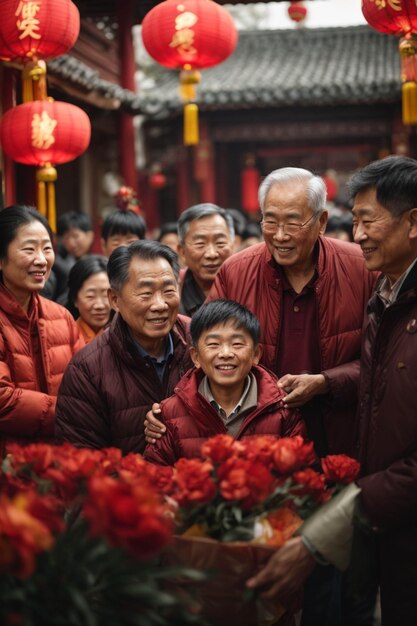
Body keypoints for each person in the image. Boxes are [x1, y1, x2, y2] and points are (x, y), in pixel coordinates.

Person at [145, 167, 378, 626]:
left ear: (322, 220)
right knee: (260, 576)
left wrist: (327, 381)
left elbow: (378, 360)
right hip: (254, 452)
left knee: (336, 580)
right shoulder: (237, 270)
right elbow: (209, 348)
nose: (280, 234)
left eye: (293, 221)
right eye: (270, 220)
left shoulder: (358, 267)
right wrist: (168, 409)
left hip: (339, 446)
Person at [246, 155, 417, 626]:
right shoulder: (389, 292)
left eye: (366, 220)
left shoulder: (363, 275)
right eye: (270, 221)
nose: (356, 234)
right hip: (355, 494)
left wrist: (335, 522)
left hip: (367, 488)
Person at [55, 240, 192, 454]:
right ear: (115, 300)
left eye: (168, 290)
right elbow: (82, 458)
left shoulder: (200, 340)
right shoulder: (87, 369)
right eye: (145, 293)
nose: (159, 305)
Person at [144, 299, 305, 465]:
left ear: (256, 354)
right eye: (214, 344)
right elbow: (155, 476)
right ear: (196, 357)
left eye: (237, 344)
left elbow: (302, 478)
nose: (226, 353)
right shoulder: (170, 414)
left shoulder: (283, 410)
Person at [0, 205, 84, 456]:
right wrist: (71, 412)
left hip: (59, 460)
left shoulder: (61, 316)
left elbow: (87, 383)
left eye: (47, 248)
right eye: (29, 249)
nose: (41, 259)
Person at [177, 203, 234, 317]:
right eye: (200, 244)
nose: (211, 254)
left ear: (233, 246)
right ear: (182, 252)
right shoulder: (173, 290)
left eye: (220, 243)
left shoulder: (248, 284)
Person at [66, 255, 111, 344]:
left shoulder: (124, 336)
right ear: (75, 299)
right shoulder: (66, 340)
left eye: (106, 295)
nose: (100, 305)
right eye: (90, 296)